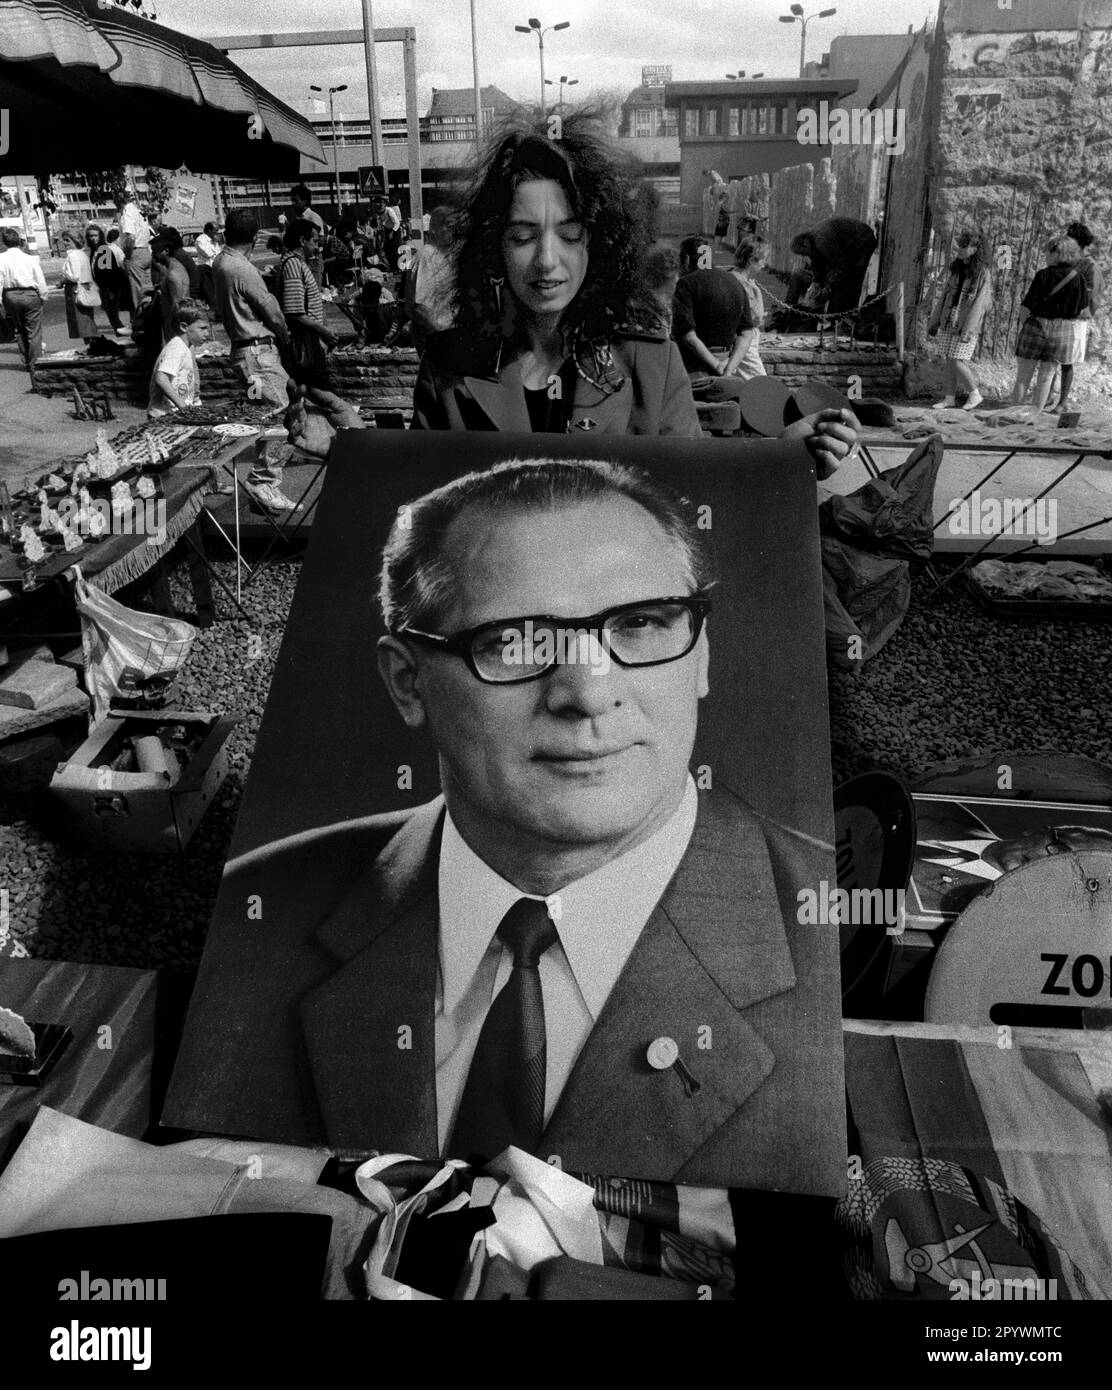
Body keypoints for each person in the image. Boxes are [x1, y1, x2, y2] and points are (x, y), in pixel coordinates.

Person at [165, 456, 846, 1189]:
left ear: (701, 653)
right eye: (516, 641)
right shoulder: (256, 911)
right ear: (407, 681)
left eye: (642, 623)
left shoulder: (824, 924)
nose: (588, 693)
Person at [348, 114, 855, 469]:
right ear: (493, 249)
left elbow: (700, 495)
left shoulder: (653, 368)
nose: (547, 260)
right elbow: (414, 502)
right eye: (523, 236)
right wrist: (355, 453)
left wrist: (789, 459)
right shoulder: (449, 367)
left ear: (599, 245)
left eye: (570, 236)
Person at [210, 208, 295, 513]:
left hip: (243, 354)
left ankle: (265, 486)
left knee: (264, 417)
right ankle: (264, 480)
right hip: (258, 354)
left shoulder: (220, 261)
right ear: (256, 237)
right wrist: (285, 336)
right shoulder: (243, 268)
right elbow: (271, 310)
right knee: (285, 416)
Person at [1007, 235, 1089, 419]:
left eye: (1048, 251)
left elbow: (1026, 307)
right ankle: (1032, 417)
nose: (1045, 255)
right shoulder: (1078, 278)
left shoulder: (1043, 275)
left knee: (1023, 378)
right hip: (1062, 331)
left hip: (1037, 326)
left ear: (1057, 252)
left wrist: (1026, 324)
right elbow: (1082, 310)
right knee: (1046, 377)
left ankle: (1012, 415)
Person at [926, 227, 993, 411]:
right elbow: (945, 296)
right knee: (949, 359)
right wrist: (935, 321)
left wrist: (969, 328)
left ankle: (974, 394)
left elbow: (980, 304)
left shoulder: (982, 273)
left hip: (965, 323)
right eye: (960, 245)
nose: (960, 249)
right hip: (950, 319)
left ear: (975, 249)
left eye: (965, 245)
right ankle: (949, 398)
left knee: (957, 360)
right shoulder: (957, 269)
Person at [279, 218, 337, 391]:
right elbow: (294, 311)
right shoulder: (293, 265)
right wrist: (325, 332)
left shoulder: (298, 263)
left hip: (310, 340)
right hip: (304, 342)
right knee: (321, 394)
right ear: (302, 240)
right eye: (314, 241)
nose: (317, 247)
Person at [1056, 221, 1102, 412]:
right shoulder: (1070, 261)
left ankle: (1061, 403)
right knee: (1053, 361)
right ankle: (1052, 398)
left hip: (1075, 319)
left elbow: (1091, 296)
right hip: (1060, 316)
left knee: (1067, 362)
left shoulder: (1090, 266)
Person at [790, 217, 878, 316]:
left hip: (862, 241)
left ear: (805, 244)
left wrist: (828, 288)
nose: (803, 256)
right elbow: (817, 263)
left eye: (802, 253)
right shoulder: (813, 242)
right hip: (851, 246)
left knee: (851, 282)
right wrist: (816, 283)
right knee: (838, 282)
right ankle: (840, 316)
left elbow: (841, 266)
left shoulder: (822, 241)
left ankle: (847, 317)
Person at [404, 204, 455, 352]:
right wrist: (443, 335)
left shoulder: (445, 256)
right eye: (449, 226)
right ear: (434, 230)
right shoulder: (427, 256)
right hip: (434, 338)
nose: (454, 231)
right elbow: (420, 306)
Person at [147, 298, 210, 416]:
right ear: (184, 327)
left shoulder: (185, 348)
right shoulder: (176, 348)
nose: (207, 334)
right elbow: (161, 378)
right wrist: (183, 406)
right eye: (202, 328)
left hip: (174, 413)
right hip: (163, 415)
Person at [724, 234, 772, 382]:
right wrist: (757, 292)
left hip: (740, 342)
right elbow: (757, 319)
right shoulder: (742, 284)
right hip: (744, 344)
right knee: (763, 387)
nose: (764, 265)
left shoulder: (735, 276)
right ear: (752, 260)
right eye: (763, 259)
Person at [0, 225, 48, 369]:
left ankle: (27, 361)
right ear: (20, 242)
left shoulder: (1, 259)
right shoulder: (29, 258)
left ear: (4, 242)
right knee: (34, 331)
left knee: (20, 329)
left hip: (11, 296)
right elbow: (39, 278)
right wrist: (43, 296)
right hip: (30, 295)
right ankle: (36, 363)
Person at [61, 225, 102, 344]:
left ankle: (92, 345)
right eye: (64, 240)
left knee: (82, 321)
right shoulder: (82, 254)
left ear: (75, 240)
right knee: (86, 319)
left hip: (76, 289)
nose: (65, 243)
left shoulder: (73, 256)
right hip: (85, 287)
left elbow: (74, 276)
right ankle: (92, 344)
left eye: (67, 240)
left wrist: (63, 280)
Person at [114, 190, 153, 314]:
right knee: (147, 290)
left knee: (138, 292)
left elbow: (130, 237)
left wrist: (127, 255)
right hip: (145, 251)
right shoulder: (137, 211)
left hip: (136, 253)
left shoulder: (128, 212)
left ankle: (142, 319)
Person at [151, 236, 191, 343]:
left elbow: (177, 304)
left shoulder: (173, 273)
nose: (153, 255)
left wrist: (171, 328)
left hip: (175, 326)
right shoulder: (172, 269)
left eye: (155, 251)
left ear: (166, 251)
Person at [91, 228, 129, 333]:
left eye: (96, 236)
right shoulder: (100, 250)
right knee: (111, 307)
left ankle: (118, 327)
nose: (93, 239)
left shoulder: (104, 249)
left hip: (109, 284)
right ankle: (118, 327)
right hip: (108, 284)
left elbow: (105, 270)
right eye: (91, 236)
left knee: (111, 307)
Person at [289, 185, 326, 287]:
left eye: (296, 200)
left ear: (305, 201)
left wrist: (310, 248)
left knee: (314, 289)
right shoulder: (298, 218)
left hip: (313, 260)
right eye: (292, 200)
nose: (293, 203)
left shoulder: (314, 217)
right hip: (302, 259)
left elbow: (321, 239)